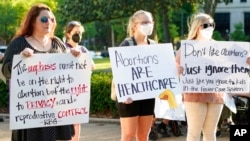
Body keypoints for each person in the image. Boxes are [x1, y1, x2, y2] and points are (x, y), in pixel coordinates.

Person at [1, 3, 82, 141]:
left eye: (52, 19)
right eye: (44, 19)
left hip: (57, 109)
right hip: (32, 112)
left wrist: (74, 57)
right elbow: (5, 71)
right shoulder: (19, 43)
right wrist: (20, 59)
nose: (49, 23)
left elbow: (68, 73)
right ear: (33, 21)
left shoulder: (57, 43)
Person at [175, 13, 224, 141]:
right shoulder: (186, 48)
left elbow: (229, 68)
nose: (210, 28)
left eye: (212, 25)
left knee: (210, 133)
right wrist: (177, 71)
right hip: (194, 95)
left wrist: (244, 62)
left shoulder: (218, 47)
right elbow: (174, 70)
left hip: (216, 94)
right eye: (206, 25)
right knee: (194, 133)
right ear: (197, 27)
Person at [116, 10, 156, 141]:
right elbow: (119, 72)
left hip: (148, 95)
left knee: (144, 135)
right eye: (144, 22)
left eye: (150, 22)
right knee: (128, 135)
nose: (148, 25)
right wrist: (124, 93)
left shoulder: (154, 46)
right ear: (134, 26)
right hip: (129, 96)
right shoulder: (126, 45)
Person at [63, 21, 95, 141]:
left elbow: (92, 66)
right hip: (65, 90)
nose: (78, 35)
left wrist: (81, 56)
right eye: (76, 32)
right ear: (68, 34)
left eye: (80, 32)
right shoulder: (63, 48)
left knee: (77, 120)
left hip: (80, 90)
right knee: (66, 122)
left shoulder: (83, 49)